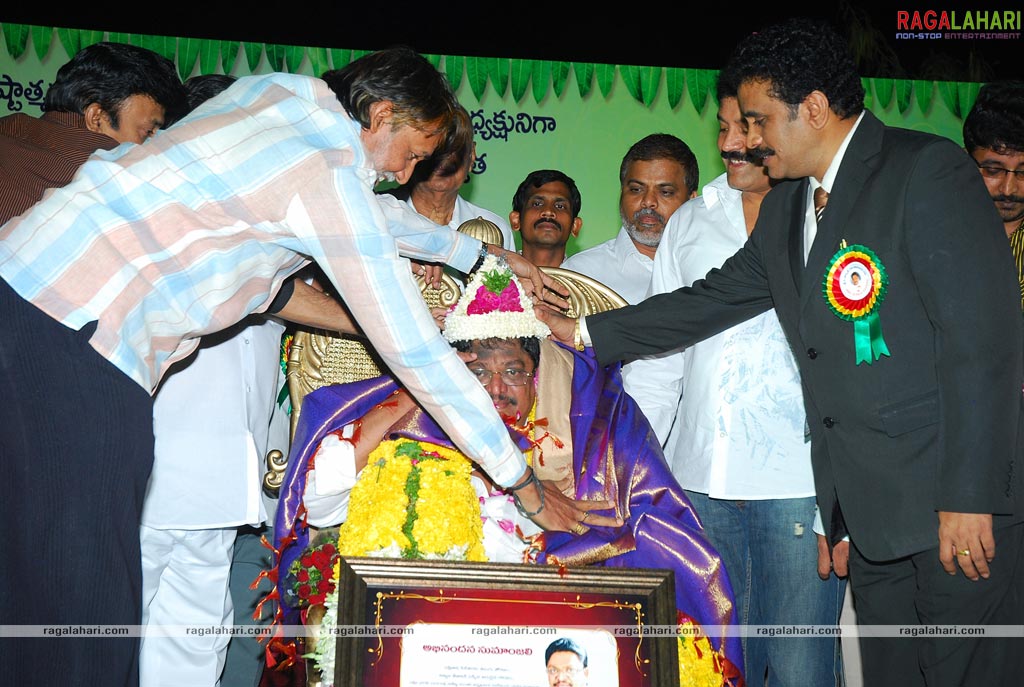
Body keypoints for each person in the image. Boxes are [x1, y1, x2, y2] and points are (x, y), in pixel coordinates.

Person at [0, 46, 580, 687]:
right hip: (76, 338)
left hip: (24, 293)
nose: (406, 173)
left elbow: (371, 210)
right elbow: (415, 352)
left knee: (30, 574)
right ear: (381, 114)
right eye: (412, 152)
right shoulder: (324, 172)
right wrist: (521, 482)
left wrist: (472, 254)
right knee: (82, 594)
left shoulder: (281, 98)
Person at [538, 18, 1023, 687]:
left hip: (954, 514)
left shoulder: (925, 170)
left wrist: (969, 496)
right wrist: (584, 331)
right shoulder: (793, 204)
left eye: (761, 119)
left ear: (815, 109)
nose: (749, 138)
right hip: (875, 525)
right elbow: (710, 298)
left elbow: (982, 345)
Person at [274, 254, 744, 684]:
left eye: (513, 371)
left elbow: (654, 521)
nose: (496, 388)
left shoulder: (582, 437)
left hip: (546, 627)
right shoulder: (416, 426)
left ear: (535, 378)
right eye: (478, 372)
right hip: (435, 632)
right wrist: (414, 391)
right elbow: (317, 501)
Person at [622, 71, 846, 686]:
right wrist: (641, 471)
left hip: (799, 486)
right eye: (723, 128)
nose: (732, 143)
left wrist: (842, 503)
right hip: (698, 485)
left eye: (748, 127)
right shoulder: (689, 223)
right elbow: (658, 361)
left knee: (802, 672)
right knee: (711, 670)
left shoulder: (829, 217)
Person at [137, 73, 288, 687]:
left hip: (225, 480)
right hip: (150, 473)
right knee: (116, 627)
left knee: (202, 638)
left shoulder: (274, 226)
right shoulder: (156, 218)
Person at [0, 40, 186, 225]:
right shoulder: (117, 181)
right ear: (96, 118)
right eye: (148, 131)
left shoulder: (11, 126)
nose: (153, 143)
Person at [560, 133, 698, 304]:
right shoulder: (579, 275)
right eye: (636, 189)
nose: (648, 202)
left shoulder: (716, 268)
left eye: (665, 192)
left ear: (692, 200)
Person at [384, 104, 516, 252]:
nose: (444, 159)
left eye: (454, 149)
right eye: (435, 149)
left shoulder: (495, 229)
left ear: (471, 155)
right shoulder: (377, 214)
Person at [962, 79, 1024, 308]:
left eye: (1023, 172)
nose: (1008, 189)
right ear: (966, 160)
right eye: (993, 170)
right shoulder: (942, 227)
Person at [510, 169, 583, 267]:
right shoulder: (488, 277)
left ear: (575, 226)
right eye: (537, 204)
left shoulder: (588, 281)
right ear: (516, 220)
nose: (548, 212)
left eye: (560, 206)